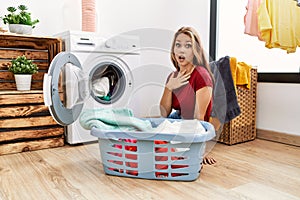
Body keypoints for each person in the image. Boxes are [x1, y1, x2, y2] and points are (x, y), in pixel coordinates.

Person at [159, 26, 216, 165]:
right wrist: (169, 87)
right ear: (173, 50)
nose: (181, 49)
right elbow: (163, 114)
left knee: (170, 152)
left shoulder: (201, 75)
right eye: (178, 45)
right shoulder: (172, 76)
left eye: (188, 46)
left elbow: (199, 119)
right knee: (153, 131)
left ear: (195, 51)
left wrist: (200, 151)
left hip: (194, 125)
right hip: (177, 120)